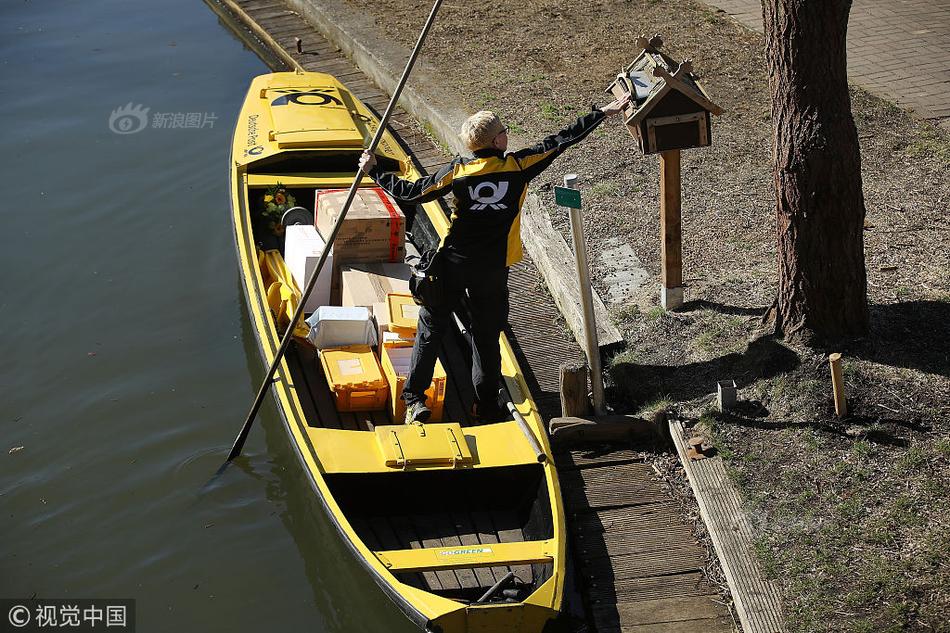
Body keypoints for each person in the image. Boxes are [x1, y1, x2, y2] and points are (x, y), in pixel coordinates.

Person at [359, 93, 631, 423]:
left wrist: (374, 171)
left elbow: (412, 192)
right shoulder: (519, 167)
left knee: (431, 328)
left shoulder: (459, 171)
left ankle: (415, 399)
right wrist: (602, 111)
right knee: (486, 336)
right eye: (504, 130)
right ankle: (485, 405)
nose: (507, 134)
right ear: (496, 140)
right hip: (492, 269)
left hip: (451, 267)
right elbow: (562, 140)